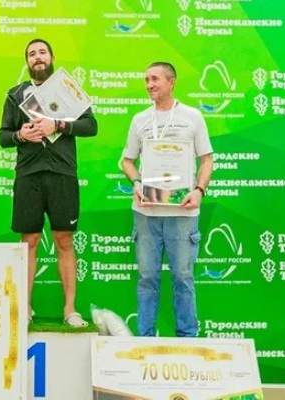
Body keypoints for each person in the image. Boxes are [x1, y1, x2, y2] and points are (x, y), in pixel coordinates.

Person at [0, 38, 98, 327]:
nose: (37, 57)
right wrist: (20, 135)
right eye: (32, 54)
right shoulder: (15, 95)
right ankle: (25, 308)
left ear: (52, 58)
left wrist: (59, 124)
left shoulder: (68, 89)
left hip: (62, 173)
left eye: (42, 52)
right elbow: (3, 136)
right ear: (27, 62)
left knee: (64, 239)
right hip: (28, 175)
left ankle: (70, 310)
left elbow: (91, 126)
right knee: (28, 241)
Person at [120, 62, 214, 337]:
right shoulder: (140, 120)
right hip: (146, 212)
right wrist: (137, 182)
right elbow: (126, 161)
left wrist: (199, 190)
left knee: (183, 277)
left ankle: (188, 338)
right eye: (146, 80)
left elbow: (207, 160)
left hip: (182, 213)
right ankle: (144, 339)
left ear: (171, 82)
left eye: (155, 79)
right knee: (147, 277)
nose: (149, 85)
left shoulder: (193, 116)